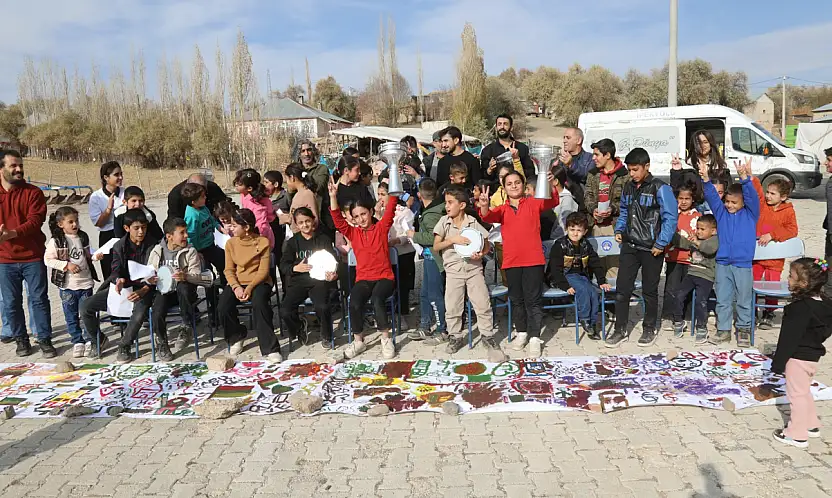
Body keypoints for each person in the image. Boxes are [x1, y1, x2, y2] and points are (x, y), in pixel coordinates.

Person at [480, 170, 560, 358]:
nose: (514, 186)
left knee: (533, 300)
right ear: (504, 188)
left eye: (517, 182)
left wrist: (550, 185)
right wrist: (483, 205)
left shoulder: (533, 203)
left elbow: (552, 201)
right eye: (509, 183)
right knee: (516, 300)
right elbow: (487, 217)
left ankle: (534, 337)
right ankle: (522, 332)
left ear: (523, 185)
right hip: (511, 261)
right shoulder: (503, 209)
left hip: (533, 260)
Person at [607, 148, 678, 348]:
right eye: (630, 170)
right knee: (622, 290)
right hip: (629, 245)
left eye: (636, 169)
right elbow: (623, 211)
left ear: (647, 166)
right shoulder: (629, 187)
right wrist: (620, 229)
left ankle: (649, 328)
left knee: (649, 290)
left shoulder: (660, 188)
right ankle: (620, 329)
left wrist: (661, 243)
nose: (632, 174)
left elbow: (670, 218)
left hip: (651, 248)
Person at [328, 176, 398, 360]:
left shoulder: (381, 228)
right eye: (356, 216)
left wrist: (393, 182)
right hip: (364, 279)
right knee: (354, 301)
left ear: (370, 211)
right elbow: (337, 220)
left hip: (385, 278)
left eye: (364, 214)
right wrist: (333, 197)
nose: (361, 219)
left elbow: (391, 208)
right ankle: (359, 340)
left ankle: (385, 339)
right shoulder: (353, 232)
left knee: (377, 300)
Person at [436, 186, 507, 361]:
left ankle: (487, 336)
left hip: (474, 270)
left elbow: (486, 244)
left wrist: (481, 253)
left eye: (450, 202)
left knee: (482, 304)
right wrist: (452, 239)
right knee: (453, 306)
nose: (447, 206)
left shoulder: (473, 222)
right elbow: (436, 246)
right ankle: (455, 336)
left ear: (461, 205)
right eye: (446, 203)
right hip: (453, 271)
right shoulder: (444, 222)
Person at [81, 208, 158, 363]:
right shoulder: (119, 246)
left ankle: (124, 345)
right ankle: (99, 340)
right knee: (86, 307)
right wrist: (119, 280)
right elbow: (115, 269)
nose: (141, 232)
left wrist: (144, 290)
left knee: (139, 310)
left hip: (146, 288)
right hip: (122, 287)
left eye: (144, 227)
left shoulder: (154, 245)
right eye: (136, 228)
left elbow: (156, 274)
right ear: (126, 228)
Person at [770, 258, 832, 448]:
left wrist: (777, 364)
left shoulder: (798, 309)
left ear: (803, 284)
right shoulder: (826, 303)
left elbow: (788, 339)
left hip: (797, 357)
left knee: (796, 395)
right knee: (804, 391)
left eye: (790, 276)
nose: (787, 279)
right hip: (812, 355)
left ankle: (796, 434)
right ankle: (812, 424)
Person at [0, 149, 55, 358]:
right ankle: (21, 339)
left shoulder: (33, 193)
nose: (18, 169)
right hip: (4, 259)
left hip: (32, 256)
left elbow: (35, 221)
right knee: (11, 302)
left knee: (39, 299)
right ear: (1, 169)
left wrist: (11, 234)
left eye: (20, 165)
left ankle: (44, 339)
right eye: (13, 165)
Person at [701, 157, 759, 347]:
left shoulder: (751, 214)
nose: (729, 205)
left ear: (743, 203)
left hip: (742, 264)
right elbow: (711, 197)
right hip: (723, 263)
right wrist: (705, 179)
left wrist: (744, 179)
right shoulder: (721, 213)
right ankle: (723, 329)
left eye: (734, 202)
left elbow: (752, 197)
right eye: (727, 201)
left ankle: (743, 329)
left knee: (743, 298)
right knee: (723, 299)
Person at [220, 208, 282, 361]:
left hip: (259, 282)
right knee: (223, 306)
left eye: (234, 225)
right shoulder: (230, 244)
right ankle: (237, 335)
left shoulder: (262, 242)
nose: (230, 228)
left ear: (246, 227)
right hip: (238, 283)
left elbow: (263, 271)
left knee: (260, 303)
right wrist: (236, 287)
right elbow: (228, 270)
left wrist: (248, 288)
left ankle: (270, 348)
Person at [279, 207, 339, 350]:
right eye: (300, 222)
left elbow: (334, 261)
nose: (305, 225)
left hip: (319, 282)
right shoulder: (293, 242)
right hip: (298, 282)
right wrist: (295, 268)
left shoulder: (323, 239)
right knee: (285, 310)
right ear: (296, 224)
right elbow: (283, 265)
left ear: (313, 221)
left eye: (307, 221)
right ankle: (299, 328)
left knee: (322, 306)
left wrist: (333, 274)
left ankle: (326, 336)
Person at [44, 206, 100, 358]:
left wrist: (95, 256)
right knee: (71, 315)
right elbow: (48, 259)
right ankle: (77, 341)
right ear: (61, 224)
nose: (75, 225)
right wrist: (66, 265)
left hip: (86, 283)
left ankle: (90, 340)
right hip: (68, 286)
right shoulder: (56, 241)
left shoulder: (83, 236)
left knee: (86, 313)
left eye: (76, 221)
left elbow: (87, 254)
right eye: (71, 222)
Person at [146, 217, 205, 359]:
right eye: (182, 233)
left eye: (186, 232)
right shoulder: (157, 250)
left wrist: (185, 276)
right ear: (169, 236)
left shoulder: (190, 251)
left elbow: (197, 275)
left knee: (183, 288)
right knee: (157, 309)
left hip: (185, 292)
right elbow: (148, 272)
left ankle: (186, 325)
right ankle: (162, 342)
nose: (186, 236)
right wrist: (150, 279)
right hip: (165, 291)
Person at [547, 212, 611, 339]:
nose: (575, 233)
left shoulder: (586, 245)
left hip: (580, 276)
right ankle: (584, 318)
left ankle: (591, 325)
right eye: (572, 229)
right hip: (563, 277)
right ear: (566, 229)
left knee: (593, 292)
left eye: (579, 230)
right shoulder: (559, 245)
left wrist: (601, 281)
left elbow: (595, 263)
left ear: (585, 231)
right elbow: (554, 269)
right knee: (582, 290)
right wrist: (565, 286)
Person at [752, 175, 798, 329]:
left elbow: (792, 230)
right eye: (768, 192)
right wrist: (752, 177)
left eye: (773, 194)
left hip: (775, 259)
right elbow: (757, 191)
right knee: (752, 282)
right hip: (757, 256)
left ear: (783, 197)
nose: (768, 196)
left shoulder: (788, 211)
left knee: (772, 286)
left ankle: (769, 312)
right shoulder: (763, 205)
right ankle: (752, 309)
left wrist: (773, 235)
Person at [405, 178, 447, 342]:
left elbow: (434, 237)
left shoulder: (431, 215)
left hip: (435, 259)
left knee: (435, 295)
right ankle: (425, 324)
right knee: (424, 293)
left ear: (419, 195)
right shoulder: (433, 209)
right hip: (429, 258)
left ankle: (441, 329)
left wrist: (414, 236)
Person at [668, 214, 719, 344]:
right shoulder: (695, 238)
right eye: (697, 228)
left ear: (713, 231)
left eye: (702, 229)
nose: (698, 231)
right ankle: (679, 321)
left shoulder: (715, 240)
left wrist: (696, 242)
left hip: (706, 276)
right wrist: (672, 233)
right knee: (678, 295)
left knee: (700, 301)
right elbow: (684, 243)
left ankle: (701, 327)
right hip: (691, 273)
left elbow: (709, 249)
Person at [584, 139, 628, 279]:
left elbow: (628, 202)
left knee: (614, 265)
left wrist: (613, 209)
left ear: (607, 155)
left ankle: (613, 297)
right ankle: (599, 296)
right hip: (595, 225)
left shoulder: (624, 175)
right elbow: (588, 196)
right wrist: (593, 209)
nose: (593, 158)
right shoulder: (593, 174)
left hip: (614, 226)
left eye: (597, 154)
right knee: (597, 263)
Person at [661, 182, 702, 329]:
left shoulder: (698, 217)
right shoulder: (671, 214)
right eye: (680, 198)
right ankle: (667, 316)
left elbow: (700, 238)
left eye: (687, 199)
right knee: (671, 288)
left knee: (688, 289)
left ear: (692, 199)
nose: (683, 202)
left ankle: (687, 316)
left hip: (690, 259)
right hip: (673, 257)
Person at [182, 183, 224, 288]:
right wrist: (195, 252)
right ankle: (213, 301)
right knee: (208, 277)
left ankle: (226, 286)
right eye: (202, 196)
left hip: (210, 245)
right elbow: (190, 237)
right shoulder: (192, 216)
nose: (205, 197)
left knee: (224, 263)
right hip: (200, 251)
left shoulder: (203, 207)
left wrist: (220, 227)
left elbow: (211, 219)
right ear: (193, 202)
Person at [89, 161, 124, 281]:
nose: (120, 177)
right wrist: (109, 209)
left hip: (125, 235)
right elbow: (98, 223)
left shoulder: (126, 193)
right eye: (116, 175)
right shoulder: (96, 197)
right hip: (107, 236)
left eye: (121, 174)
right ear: (106, 177)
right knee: (110, 275)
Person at [480, 114, 534, 183]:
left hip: (517, 189)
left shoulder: (522, 148)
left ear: (511, 128)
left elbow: (530, 173)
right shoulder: (487, 150)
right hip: (496, 191)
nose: (502, 127)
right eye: (499, 124)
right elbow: (482, 177)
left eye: (505, 124)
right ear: (496, 127)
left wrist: (516, 163)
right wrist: (489, 170)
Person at [234, 168, 275, 250]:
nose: (236, 185)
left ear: (249, 188)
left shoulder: (256, 205)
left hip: (262, 236)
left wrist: (257, 240)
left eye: (239, 184)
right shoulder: (244, 194)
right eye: (236, 182)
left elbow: (262, 225)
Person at [265, 170, 290, 292]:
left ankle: (287, 291)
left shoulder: (285, 197)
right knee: (269, 267)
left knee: (283, 265)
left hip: (282, 237)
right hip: (269, 238)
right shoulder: (264, 198)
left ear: (275, 184)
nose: (264, 185)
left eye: (266, 182)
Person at [279, 163, 319, 235]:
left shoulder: (307, 194)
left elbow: (314, 220)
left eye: (287, 179)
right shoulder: (299, 194)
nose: (287, 183)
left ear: (292, 178)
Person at [543, 163, 580, 241]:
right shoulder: (546, 198)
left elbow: (564, 225)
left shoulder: (567, 200)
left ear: (555, 181)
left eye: (548, 179)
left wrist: (551, 239)